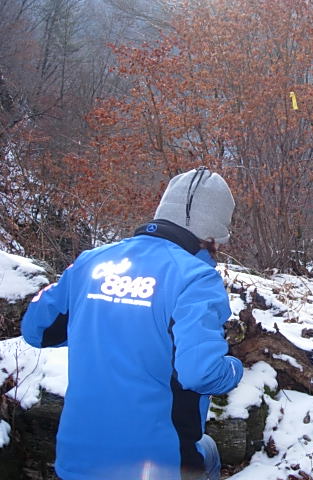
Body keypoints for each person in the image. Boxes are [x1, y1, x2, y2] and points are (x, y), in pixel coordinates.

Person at [21, 167, 243, 480]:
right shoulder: (196, 279)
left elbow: (36, 330)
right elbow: (201, 373)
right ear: (213, 236)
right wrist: (234, 369)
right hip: (157, 465)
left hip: (77, 458)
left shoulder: (91, 261)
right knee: (207, 453)